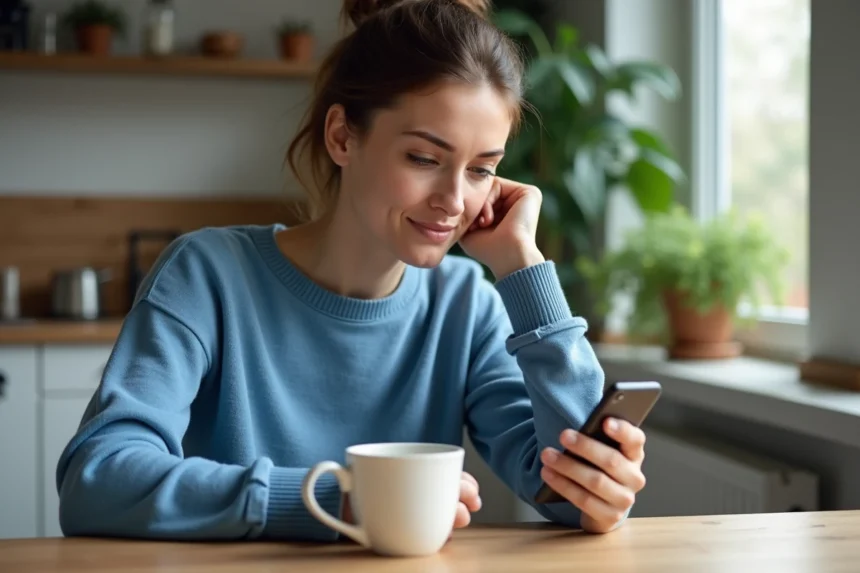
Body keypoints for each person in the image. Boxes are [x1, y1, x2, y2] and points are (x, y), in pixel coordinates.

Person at [56, 0, 648, 542]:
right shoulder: (207, 275)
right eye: (424, 158)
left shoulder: (466, 305)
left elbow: (568, 496)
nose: (453, 199)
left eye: (480, 169)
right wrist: (328, 499)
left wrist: (524, 266)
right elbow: (98, 478)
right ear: (342, 136)